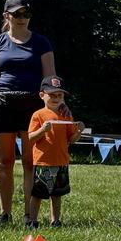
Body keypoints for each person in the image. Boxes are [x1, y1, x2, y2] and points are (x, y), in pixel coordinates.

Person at [0, 0, 58, 227]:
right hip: (3, 105)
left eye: (26, 14)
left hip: (33, 108)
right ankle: (4, 214)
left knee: (29, 162)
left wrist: (53, 110)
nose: (22, 18)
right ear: (7, 16)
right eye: (17, 14)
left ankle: (29, 216)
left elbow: (50, 80)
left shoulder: (42, 43)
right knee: (4, 161)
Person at [26, 76, 84, 228]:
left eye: (59, 95)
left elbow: (71, 139)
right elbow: (31, 137)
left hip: (61, 161)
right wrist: (42, 130)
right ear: (42, 95)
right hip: (43, 162)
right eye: (52, 95)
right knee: (38, 194)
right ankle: (32, 220)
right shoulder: (38, 115)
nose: (56, 98)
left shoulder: (66, 115)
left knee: (57, 194)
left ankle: (55, 220)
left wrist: (78, 131)